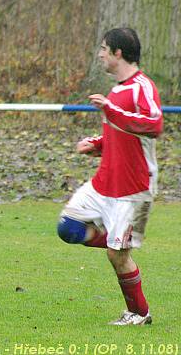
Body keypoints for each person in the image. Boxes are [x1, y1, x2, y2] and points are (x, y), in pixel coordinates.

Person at [56, 28, 163, 326]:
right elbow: (119, 131)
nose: (100, 54)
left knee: (117, 258)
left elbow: (154, 125)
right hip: (105, 183)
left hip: (133, 188)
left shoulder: (142, 87)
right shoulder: (117, 90)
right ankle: (120, 240)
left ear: (118, 53)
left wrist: (111, 110)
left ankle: (140, 313)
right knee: (68, 227)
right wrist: (97, 144)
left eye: (104, 48)